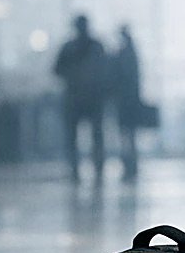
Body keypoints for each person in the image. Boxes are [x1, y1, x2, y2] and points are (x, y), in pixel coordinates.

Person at [53, 15, 112, 184]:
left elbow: (105, 72)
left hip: (85, 99)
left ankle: (88, 169)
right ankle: (82, 170)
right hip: (84, 99)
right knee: (87, 137)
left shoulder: (75, 47)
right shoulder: (91, 47)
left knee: (91, 137)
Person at [114, 24, 141, 182]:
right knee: (130, 136)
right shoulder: (132, 52)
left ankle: (129, 165)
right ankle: (131, 165)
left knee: (126, 135)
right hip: (130, 100)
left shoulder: (123, 53)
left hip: (124, 102)